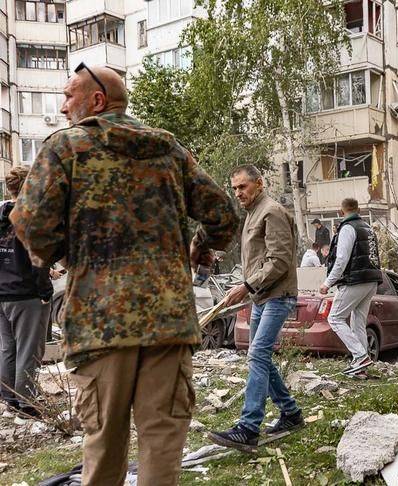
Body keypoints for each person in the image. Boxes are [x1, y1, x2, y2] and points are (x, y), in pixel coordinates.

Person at [10, 65, 238, 484]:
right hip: (168, 323)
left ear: (97, 100)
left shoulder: (66, 148)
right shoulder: (168, 148)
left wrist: (66, 253)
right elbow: (223, 214)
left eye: (68, 95)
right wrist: (200, 247)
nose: (62, 107)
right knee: (162, 448)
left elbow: (29, 225)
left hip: (100, 325)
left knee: (104, 447)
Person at [209, 164, 302, 452]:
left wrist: (246, 286)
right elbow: (259, 261)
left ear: (259, 183)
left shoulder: (271, 211)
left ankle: (249, 427)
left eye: (243, 186)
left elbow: (280, 260)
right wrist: (245, 286)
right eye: (234, 188)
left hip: (277, 295)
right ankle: (291, 413)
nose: (238, 192)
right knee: (258, 355)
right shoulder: (253, 213)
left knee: (258, 355)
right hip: (262, 295)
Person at [0, 167, 53, 419]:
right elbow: (38, 258)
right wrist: (45, 290)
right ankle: (27, 404)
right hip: (26, 293)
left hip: (2, 292)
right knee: (29, 350)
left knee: (7, 349)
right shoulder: (32, 215)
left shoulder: (0, 213)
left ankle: (9, 399)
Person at [320, 198, 382, 376]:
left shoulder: (348, 228)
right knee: (358, 323)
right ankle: (360, 368)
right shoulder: (368, 228)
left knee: (335, 318)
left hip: (355, 280)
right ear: (359, 210)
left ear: (341, 212)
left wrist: (327, 283)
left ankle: (360, 356)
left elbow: (341, 259)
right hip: (371, 279)